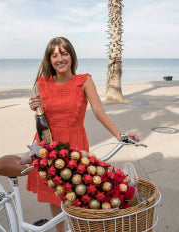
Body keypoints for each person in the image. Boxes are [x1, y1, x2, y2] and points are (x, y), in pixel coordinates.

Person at [26, 37, 139, 232]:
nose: (59, 58)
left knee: (81, 195)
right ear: (49, 60)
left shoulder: (84, 81)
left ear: (71, 56)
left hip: (74, 145)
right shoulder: (42, 82)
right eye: (54, 55)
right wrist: (34, 107)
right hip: (48, 145)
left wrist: (120, 135)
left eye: (64, 53)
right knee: (55, 196)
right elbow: (42, 118)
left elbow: (99, 112)